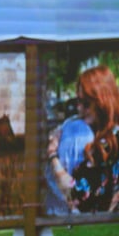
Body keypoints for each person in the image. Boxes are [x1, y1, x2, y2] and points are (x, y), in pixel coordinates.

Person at [47, 65, 119, 213]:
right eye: (77, 102)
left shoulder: (108, 143)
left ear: (102, 102)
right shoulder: (105, 136)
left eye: (86, 104)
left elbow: (76, 196)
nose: (79, 109)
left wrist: (52, 155)